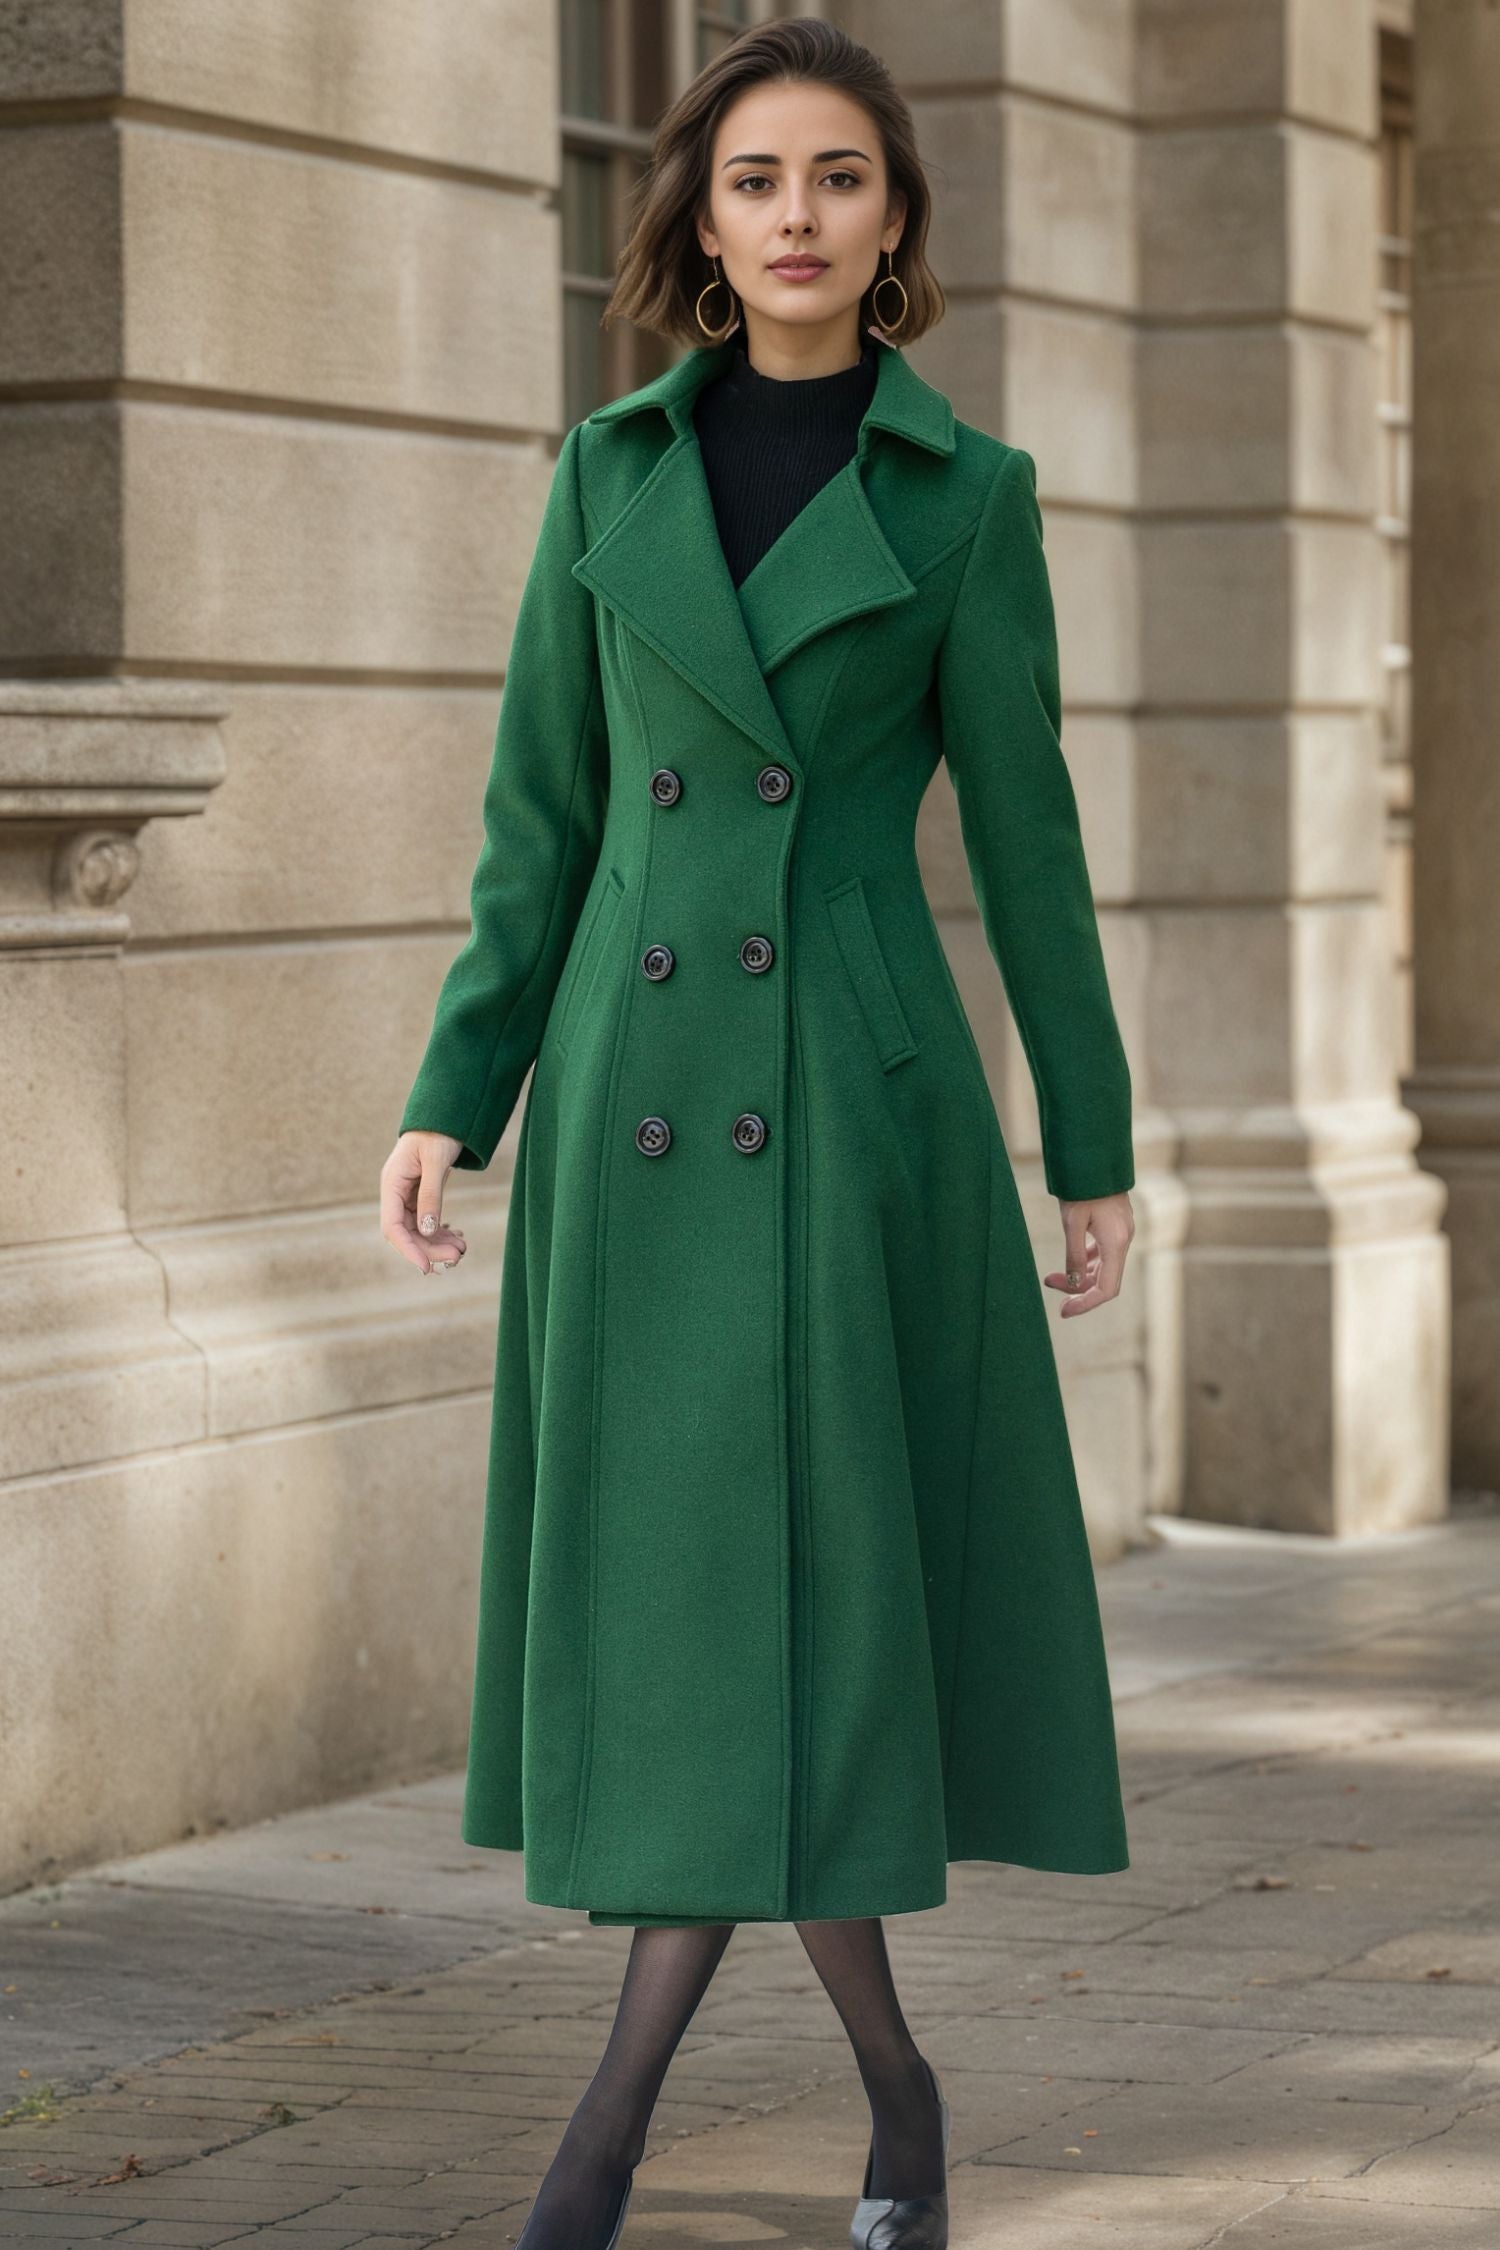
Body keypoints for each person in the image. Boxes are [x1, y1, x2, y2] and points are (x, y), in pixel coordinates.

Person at [380, 19, 1135, 2250]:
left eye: (835, 178)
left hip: (851, 1112)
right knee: (705, 1630)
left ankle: (613, 2155)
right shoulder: (602, 476)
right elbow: (542, 824)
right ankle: (894, 2098)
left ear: (894, 221)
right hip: (633, 1101)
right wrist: (454, 1092)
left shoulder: (965, 500)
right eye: (751, 181)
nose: (794, 214)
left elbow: (1034, 847)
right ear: (697, 226)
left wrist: (1086, 1145)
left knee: (789, 1624)